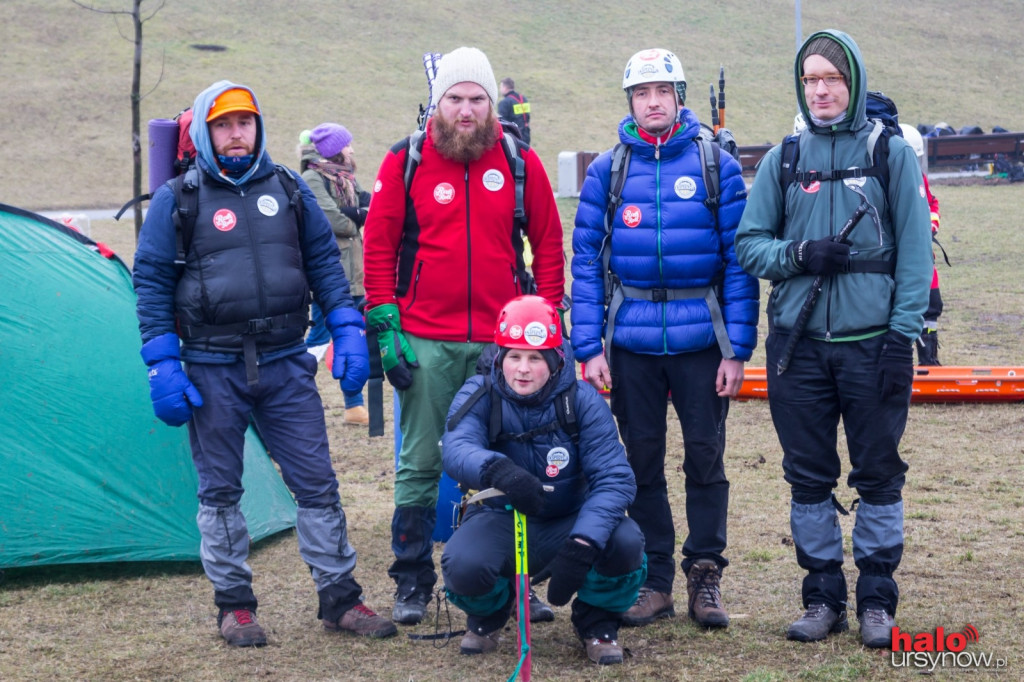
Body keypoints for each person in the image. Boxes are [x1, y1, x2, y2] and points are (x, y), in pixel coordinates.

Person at [132, 80, 396, 647]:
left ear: (259, 128)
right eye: (224, 124)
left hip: (284, 364)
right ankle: (234, 606)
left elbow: (325, 263)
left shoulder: (290, 189)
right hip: (209, 368)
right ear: (205, 131)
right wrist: (162, 363)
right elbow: (151, 285)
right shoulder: (177, 199)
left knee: (317, 483)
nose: (236, 134)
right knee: (221, 491)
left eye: (245, 123)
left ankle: (340, 599)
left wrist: (347, 328)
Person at [734, 31, 932, 648]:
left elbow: (915, 256)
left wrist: (902, 339)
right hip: (797, 347)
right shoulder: (783, 159)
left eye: (833, 79)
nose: (821, 89)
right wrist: (799, 253)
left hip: (874, 345)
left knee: (877, 474)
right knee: (808, 476)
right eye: (811, 79)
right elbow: (749, 244)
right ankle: (821, 597)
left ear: (854, 83)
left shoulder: (890, 154)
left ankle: (876, 599)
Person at [361, 46, 566, 626]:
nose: (467, 109)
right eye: (456, 98)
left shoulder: (519, 161)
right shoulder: (405, 160)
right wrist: (385, 327)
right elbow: (377, 248)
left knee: (511, 459)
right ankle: (412, 579)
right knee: (422, 460)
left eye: (477, 98)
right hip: (426, 337)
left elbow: (549, 245)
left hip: (506, 345)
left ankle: (513, 579)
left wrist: (544, 327)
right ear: (438, 102)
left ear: (491, 103)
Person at [570, 48, 759, 631]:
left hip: (703, 339)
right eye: (641, 93)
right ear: (629, 101)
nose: (652, 102)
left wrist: (738, 349)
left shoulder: (715, 166)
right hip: (630, 342)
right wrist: (589, 347)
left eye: (663, 92)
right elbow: (584, 262)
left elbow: (738, 263)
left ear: (679, 96)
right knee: (641, 462)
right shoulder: (608, 170)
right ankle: (654, 580)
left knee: (706, 458)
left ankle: (705, 576)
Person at [440, 295, 645, 665]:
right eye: (513, 356)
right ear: (500, 357)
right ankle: (490, 615)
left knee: (625, 541)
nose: (522, 369)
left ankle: (597, 622)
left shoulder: (583, 400)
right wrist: (497, 469)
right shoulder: (479, 392)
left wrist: (584, 542)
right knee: (463, 564)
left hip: (570, 518)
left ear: (554, 360)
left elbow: (615, 478)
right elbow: (456, 446)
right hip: (501, 516)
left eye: (534, 358)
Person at [300, 122, 373, 424]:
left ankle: (353, 406)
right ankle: (294, 387)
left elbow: (365, 204)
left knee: (352, 338)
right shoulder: (311, 178)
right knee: (318, 337)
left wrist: (363, 211)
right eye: (347, 145)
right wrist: (357, 218)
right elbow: (332, 219)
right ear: (334, 150)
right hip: (328, 273)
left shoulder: (345, 178)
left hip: (354, 271)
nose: (352, 150)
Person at [899, 124, 944, 365]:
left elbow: (932, 204)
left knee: (931, 304)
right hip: (896, 261)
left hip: (923, 258)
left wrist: (931, 225)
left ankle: (929, 360)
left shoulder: (920, 179)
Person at [498, 77, 531, 144]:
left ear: (505, 87)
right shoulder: (523, 99)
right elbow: (527, 116)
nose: (500, 89)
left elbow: (501, 123)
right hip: (526, 134)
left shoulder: (505, 102)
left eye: (501, 87)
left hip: (513, 137)